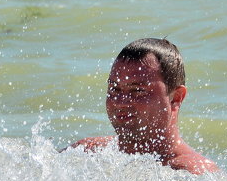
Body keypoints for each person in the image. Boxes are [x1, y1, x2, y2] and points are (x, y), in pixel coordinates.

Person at [70, 37, 217, 174]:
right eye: (115, 89)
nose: (120, 102)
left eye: (137, 91)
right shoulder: (87, 152)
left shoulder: (193, 173)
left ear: (176, 98)